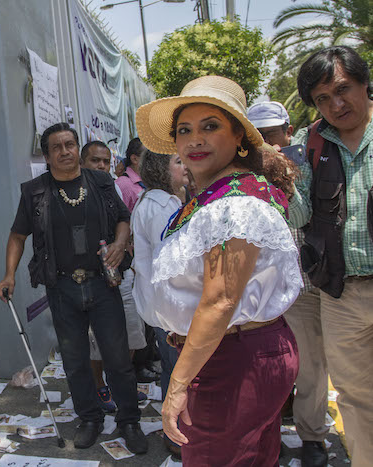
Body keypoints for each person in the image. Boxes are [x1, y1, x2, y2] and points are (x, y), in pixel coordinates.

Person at [135, 75, 301, 465]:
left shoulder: (235, 204)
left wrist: (175, 387)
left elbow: (221, 300)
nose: (195, 139)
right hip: (232, 353)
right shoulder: (220, 196)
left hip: (231, 360)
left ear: (240, 137)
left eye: (210, 126)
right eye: (184, 130)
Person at [0, 123, 147, 453]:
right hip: (62, 287)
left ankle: (129, 421)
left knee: (117, 356)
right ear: (47, 155)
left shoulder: (102, 182)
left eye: (69, 144)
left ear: (77, 148)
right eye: (56, 147)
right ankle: (90, 418)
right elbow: (17, 235)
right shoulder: (35, 192)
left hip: (103, 282)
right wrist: (9, 274)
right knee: (76, 360)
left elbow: (123, 219)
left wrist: (121, 243)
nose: (64, 151)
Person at [289, 46, 373, 466]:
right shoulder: (315, 141)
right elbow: (300, 211)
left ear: (364, 84)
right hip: (341, 296)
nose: (336, 104)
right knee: (357, 401)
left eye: (343, 90)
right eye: (323, 98)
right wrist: (276, 181)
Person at [247, 101, 329, 466]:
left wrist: (283, 175)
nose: (269, 143)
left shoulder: (306, 165)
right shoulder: (245, 174)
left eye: (273, 134)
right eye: (259, 137)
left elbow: (300, 214)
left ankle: (312, 437)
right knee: (271, 369)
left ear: (288, 131)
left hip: (310, 285)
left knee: (311, 367)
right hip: (267, 291)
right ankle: (270, 438)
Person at [80, 141, 147, 414]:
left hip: (121, 273)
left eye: (105, 162)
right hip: (92, 279)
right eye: (95, 161)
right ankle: (99, 387)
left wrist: (122, 246)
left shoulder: (114, 187)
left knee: (131, 332)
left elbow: (125, 221)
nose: (100, 166)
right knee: (96, 340)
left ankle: (122, 384)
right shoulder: (74, 192)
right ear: (83, 163)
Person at [131, 150, 188, 458]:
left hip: (163, 306)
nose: (185, 166)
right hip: (168, 307)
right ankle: (176, 433)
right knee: (177, 370)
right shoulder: (160, 205)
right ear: (160, 170)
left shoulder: (159, 201)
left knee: (173, 368)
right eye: (178, 162)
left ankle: (175, 430)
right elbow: (171, 260)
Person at [115, 138, 147, 212]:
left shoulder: (148, 182)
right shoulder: (122, 185)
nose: (153, 160)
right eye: (148, 157)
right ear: (134, 159)